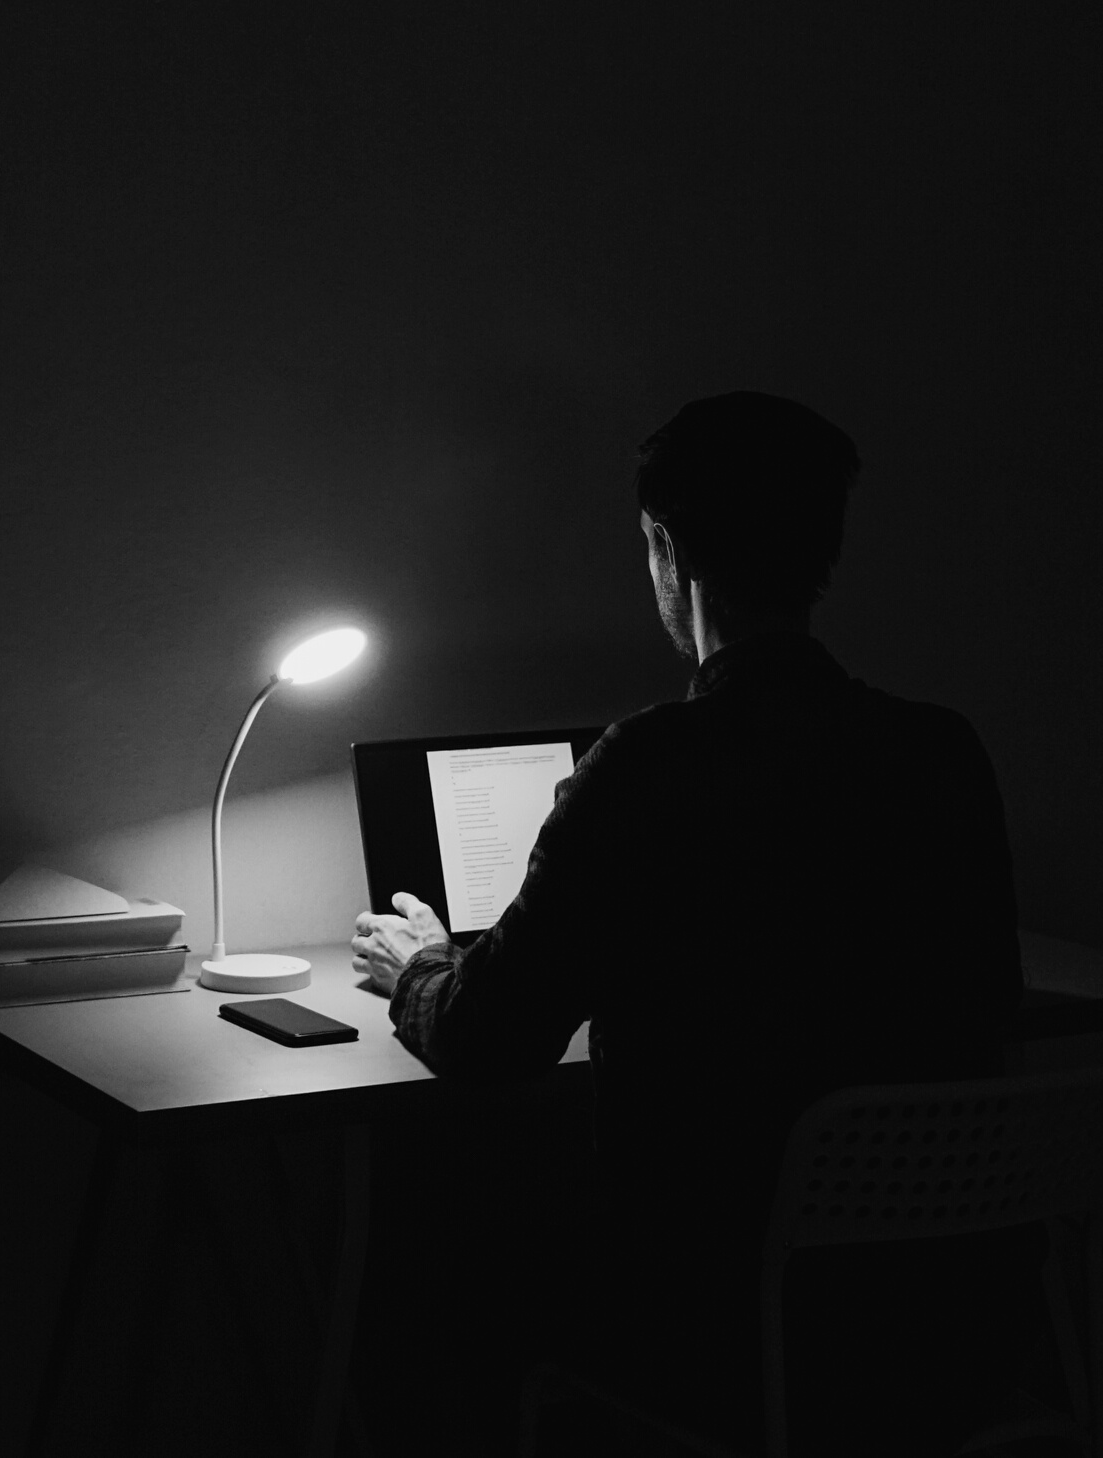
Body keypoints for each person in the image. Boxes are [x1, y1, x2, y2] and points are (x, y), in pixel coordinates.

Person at [352, 392, 1046, 1455]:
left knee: (423, 1262)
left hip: (726, 1321)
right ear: (826, 548)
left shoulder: (646, 765)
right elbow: (990, 997)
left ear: (667, 549)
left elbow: (490, 1040)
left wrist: (421, 966)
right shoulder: (940, 752)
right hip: (954, 1315)